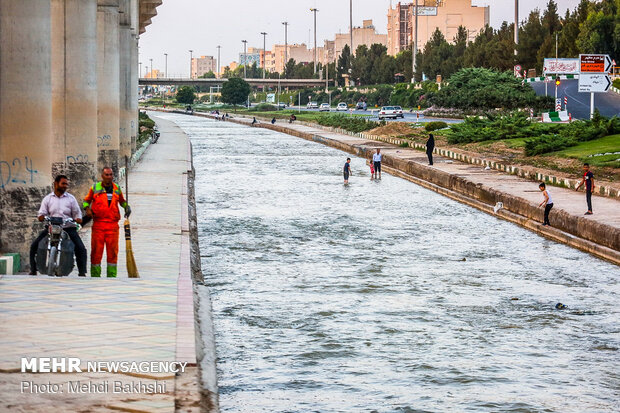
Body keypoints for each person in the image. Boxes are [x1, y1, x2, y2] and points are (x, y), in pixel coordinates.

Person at [29, 175, 87, 276]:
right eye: (63, 183)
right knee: (34, 246)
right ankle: (33, 270)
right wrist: (42, 217)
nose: (65, 186)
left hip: (68, 228)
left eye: (66, 184)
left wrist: (77, 219)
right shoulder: (48, 199)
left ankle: (82, 272)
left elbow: (78, 215)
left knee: (80, 248)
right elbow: (41, 213)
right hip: (52, 227)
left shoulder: (71, 199)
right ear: (56, 184)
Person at [83, 167, 131, 278]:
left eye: (111, 175)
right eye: (107, 175)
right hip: (98, 225)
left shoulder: (117, 188)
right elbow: (86, 201)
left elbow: (122, 201)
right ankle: (95, 276)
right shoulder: (95, 188)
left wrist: (126, 207)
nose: (109, 177)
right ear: (102, 176)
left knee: (113, 253)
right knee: (96, 252)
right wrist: (87, 209)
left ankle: (111, 276)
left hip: (112, 226)